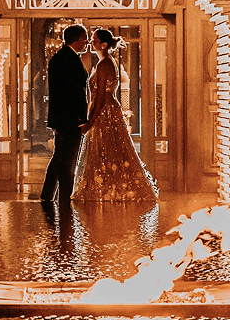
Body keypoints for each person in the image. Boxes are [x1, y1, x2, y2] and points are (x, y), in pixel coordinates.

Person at [72, 28, 159, 204]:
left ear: (103, 45)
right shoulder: (106, 62)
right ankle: (110, 186)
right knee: (111, 151)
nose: (91, 42)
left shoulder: (104, 64)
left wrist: (91, 120)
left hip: (105, 111)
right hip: (108, 109)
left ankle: (107, 189)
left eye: (95, 40)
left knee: (105, 150)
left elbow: (101, 96)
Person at [40, 24, 90, 203]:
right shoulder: (69, 60)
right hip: (70, 119)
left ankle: (47, 195)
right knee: (69, 160)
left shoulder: (59, 57)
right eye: (85, 38)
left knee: (59, 156)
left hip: (60, 118)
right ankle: (65, 198)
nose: (87, 42)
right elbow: (74, 93)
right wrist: (82, 119)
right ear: (76, 40)